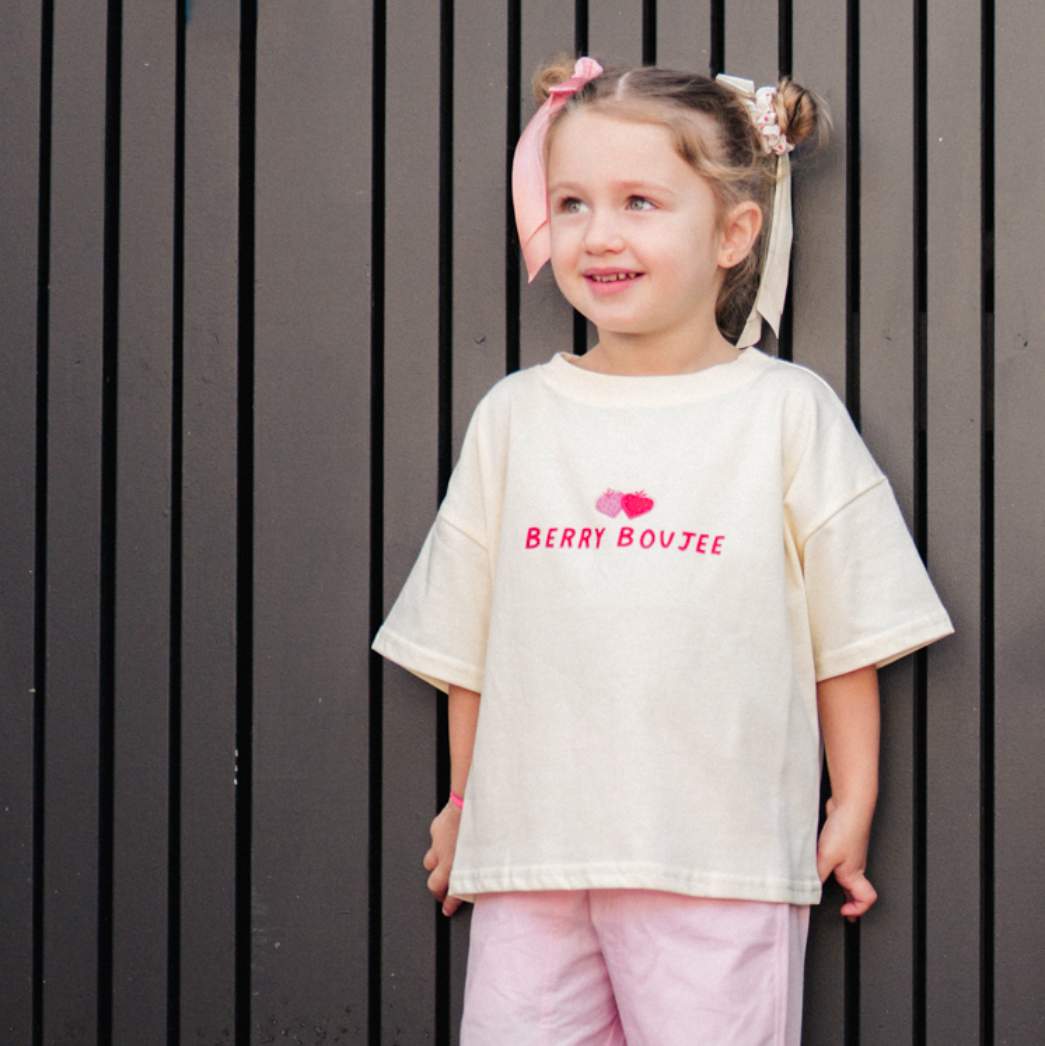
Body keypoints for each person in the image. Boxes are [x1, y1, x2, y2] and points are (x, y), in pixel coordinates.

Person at [373, 55, 953, 1046]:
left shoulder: (783, 412)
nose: (599, 233)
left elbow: (843, 630)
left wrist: (851, 800)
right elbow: (470, 642)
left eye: (640, 202)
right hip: (531, 861)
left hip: (716, 864)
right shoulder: (516, 416)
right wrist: (466, 800)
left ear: (734, 231)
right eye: (572, 202)